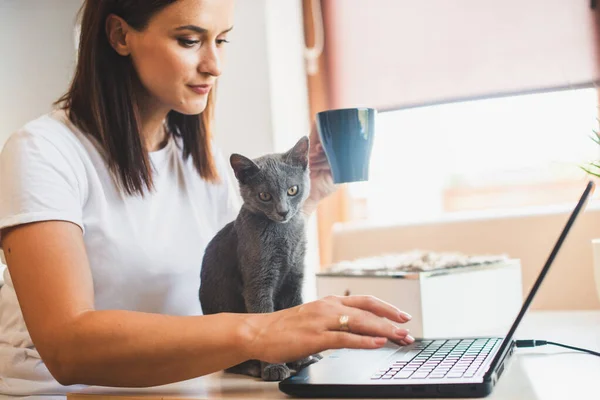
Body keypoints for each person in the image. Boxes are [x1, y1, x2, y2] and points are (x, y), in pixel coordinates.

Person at [0, 0, 414, 397]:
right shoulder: (43, 152)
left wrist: (306, 199)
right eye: (189, 40)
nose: (214, 65)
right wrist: (263, 332)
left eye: (222, 40)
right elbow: (68, 348)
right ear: (120, 35)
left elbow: (247, 256)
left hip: (186, 388)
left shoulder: (200, 158)